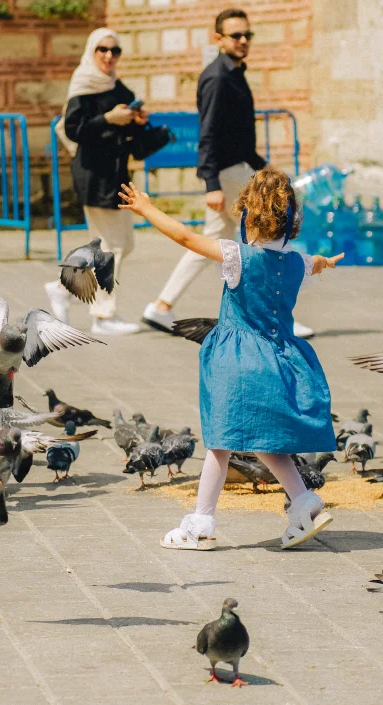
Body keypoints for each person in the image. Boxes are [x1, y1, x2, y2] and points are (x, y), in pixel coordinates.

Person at [120, 167, 340, 549]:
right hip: (279, 359)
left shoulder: (236, 256)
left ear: (247, 214)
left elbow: (185, 236)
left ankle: (200, 524)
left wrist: (147, 209)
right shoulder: (297, 262)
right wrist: (325, 262)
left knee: (220, 442)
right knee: (264, 441)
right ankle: (304, 500)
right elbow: (314, 262)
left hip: (238, 362)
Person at [142, 8, 313, 337]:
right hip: (228, 173)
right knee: (272, 238)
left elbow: (237, 135)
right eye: (236, 35)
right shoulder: (218, 76)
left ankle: (161, 307)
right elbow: (208, 133)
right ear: (218, 38)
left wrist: (262, 166)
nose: (244, 41)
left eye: (248, 35)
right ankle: (278, 318)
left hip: (237, 168)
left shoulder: (233, 72)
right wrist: (212, 184)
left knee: (210, 243)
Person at [45, 27, 169, 337]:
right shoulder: (83, 85)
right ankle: (103, 316)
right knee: (111, 246)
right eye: (102, 49)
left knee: (123, 244)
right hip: (93, 173)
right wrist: (107, 119)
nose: (108, 56)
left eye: (115, 51)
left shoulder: (117, 87)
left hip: (116, 174)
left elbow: (132, 129)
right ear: (91, 51)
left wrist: (139, 119)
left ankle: (64, 289)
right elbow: (74, 130)